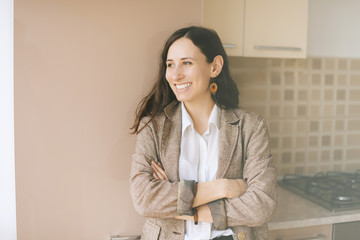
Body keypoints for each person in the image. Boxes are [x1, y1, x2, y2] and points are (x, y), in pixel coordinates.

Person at [130, 26, 277, 240]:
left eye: (187, 63)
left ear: (215, 67)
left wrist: (182, 208)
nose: (176, 75)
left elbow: (261, 205)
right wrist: (223, 187)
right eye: (170, 65)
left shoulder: (251, 126)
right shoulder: (153, 128)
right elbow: (144, 199)